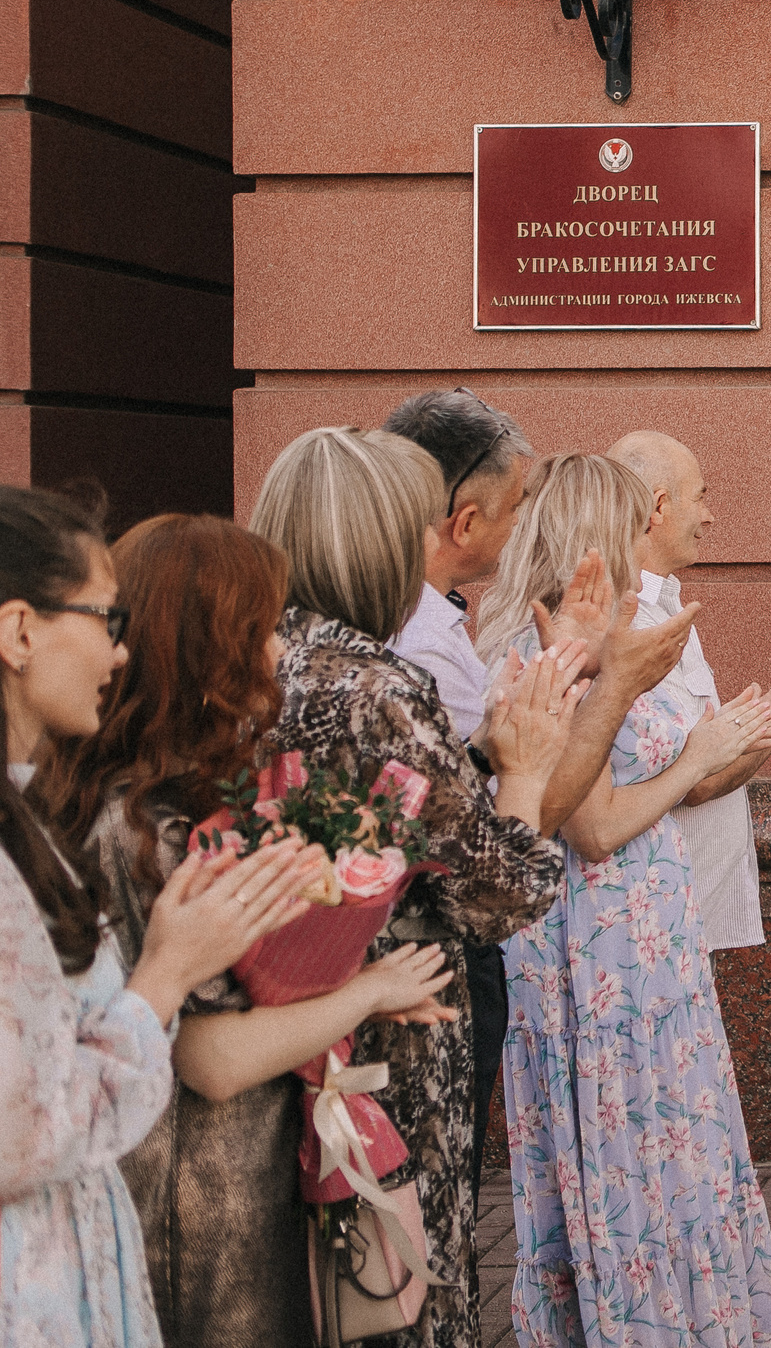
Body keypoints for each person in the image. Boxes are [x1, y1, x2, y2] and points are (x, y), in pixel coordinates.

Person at [36, 514, 459, 1348]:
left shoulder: (114, 799)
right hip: (201, 1217)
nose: (279, 649)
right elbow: (213, 1059)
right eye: (263, 628)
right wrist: (369, 990)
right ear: (212, 654)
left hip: (190, 1196)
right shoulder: (154, 831)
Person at [249, 427, 591, 1348]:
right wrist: (525, 766)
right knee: (400, 1293)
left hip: (271, 1039)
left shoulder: (251, 663)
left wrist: (472, 751)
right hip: (386, 1042)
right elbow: (498, 892)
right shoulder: (379, 684)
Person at [475, 453, 771, 1344]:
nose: (645, 544)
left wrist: (744, 734)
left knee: (682, 1169)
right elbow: (593, 826)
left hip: (647, 947)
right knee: (633, 1177)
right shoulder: (555, 654)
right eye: (632, 527)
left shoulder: (612, 637)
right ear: (596, 536)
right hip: (597, 959)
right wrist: (701, 756)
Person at [0, 484, 317, 1348]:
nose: (119, 649)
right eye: (105, 618)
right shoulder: (106, 826)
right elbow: (23, 1130)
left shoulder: (35, 814)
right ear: (20, 632)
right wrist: (166, 976)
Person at [382, 386, 536, 1204]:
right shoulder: (421, 645)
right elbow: (478, 837)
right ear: (466, 522)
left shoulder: (431, 618)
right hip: (438, 947)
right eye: (514, 508)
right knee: (438, 1191)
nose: (519, 527)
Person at [609, 429, 771, 957]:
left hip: (690, 914)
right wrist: (768, 725)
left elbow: (701, 753)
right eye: (701, 497)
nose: (710, 516)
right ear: (658, 506)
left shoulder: (667, 607)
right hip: (657, 923)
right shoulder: (631, 623)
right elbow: (693, 780)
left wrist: (770, 734)